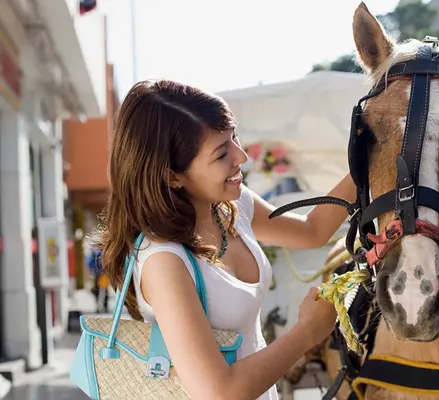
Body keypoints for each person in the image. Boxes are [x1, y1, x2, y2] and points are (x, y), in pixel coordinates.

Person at [94, 79, 356, 400]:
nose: (242, 156)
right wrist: (307, 333)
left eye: (234, 138)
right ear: (171, 175)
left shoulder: (231, 205)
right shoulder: (164, 261)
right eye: (221, 154)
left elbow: (312, 231)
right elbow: (220, 392)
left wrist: (367, 160)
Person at [85, 244, 109, 313]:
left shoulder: (94, 252)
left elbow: (88, 263)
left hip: (98, 274)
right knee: (103, 291)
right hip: (102, 274)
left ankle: (99, 306)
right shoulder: (102, 252)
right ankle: (103, 306)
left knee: (99, 291)